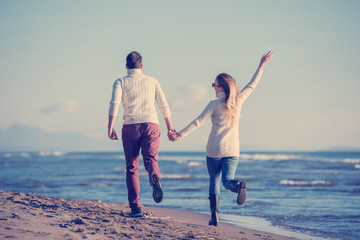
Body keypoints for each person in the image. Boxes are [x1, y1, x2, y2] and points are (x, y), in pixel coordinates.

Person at [170, 51, 274, 226]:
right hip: (233, 150)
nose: (213, 87)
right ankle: (237, 185)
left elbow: (197, 122)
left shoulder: (213, 105)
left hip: (214, 149)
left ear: (220, 87)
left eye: (214, 85)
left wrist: (179, 134)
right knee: (227, 180)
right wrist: (261, 66)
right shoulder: (238, 101)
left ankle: (214, 217)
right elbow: (252, 85)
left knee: (215, 181)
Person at [108, 51, 175, 218]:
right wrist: (170, 128)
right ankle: (154, 176)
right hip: (151, 124)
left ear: (126, 66)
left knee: (132, 167)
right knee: (151, 159)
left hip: (130, 126)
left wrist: (110, 127)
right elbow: (163, 105)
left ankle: (136, 208)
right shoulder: (152, 81)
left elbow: (114, 104)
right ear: (142, 66)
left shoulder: (120, 82)